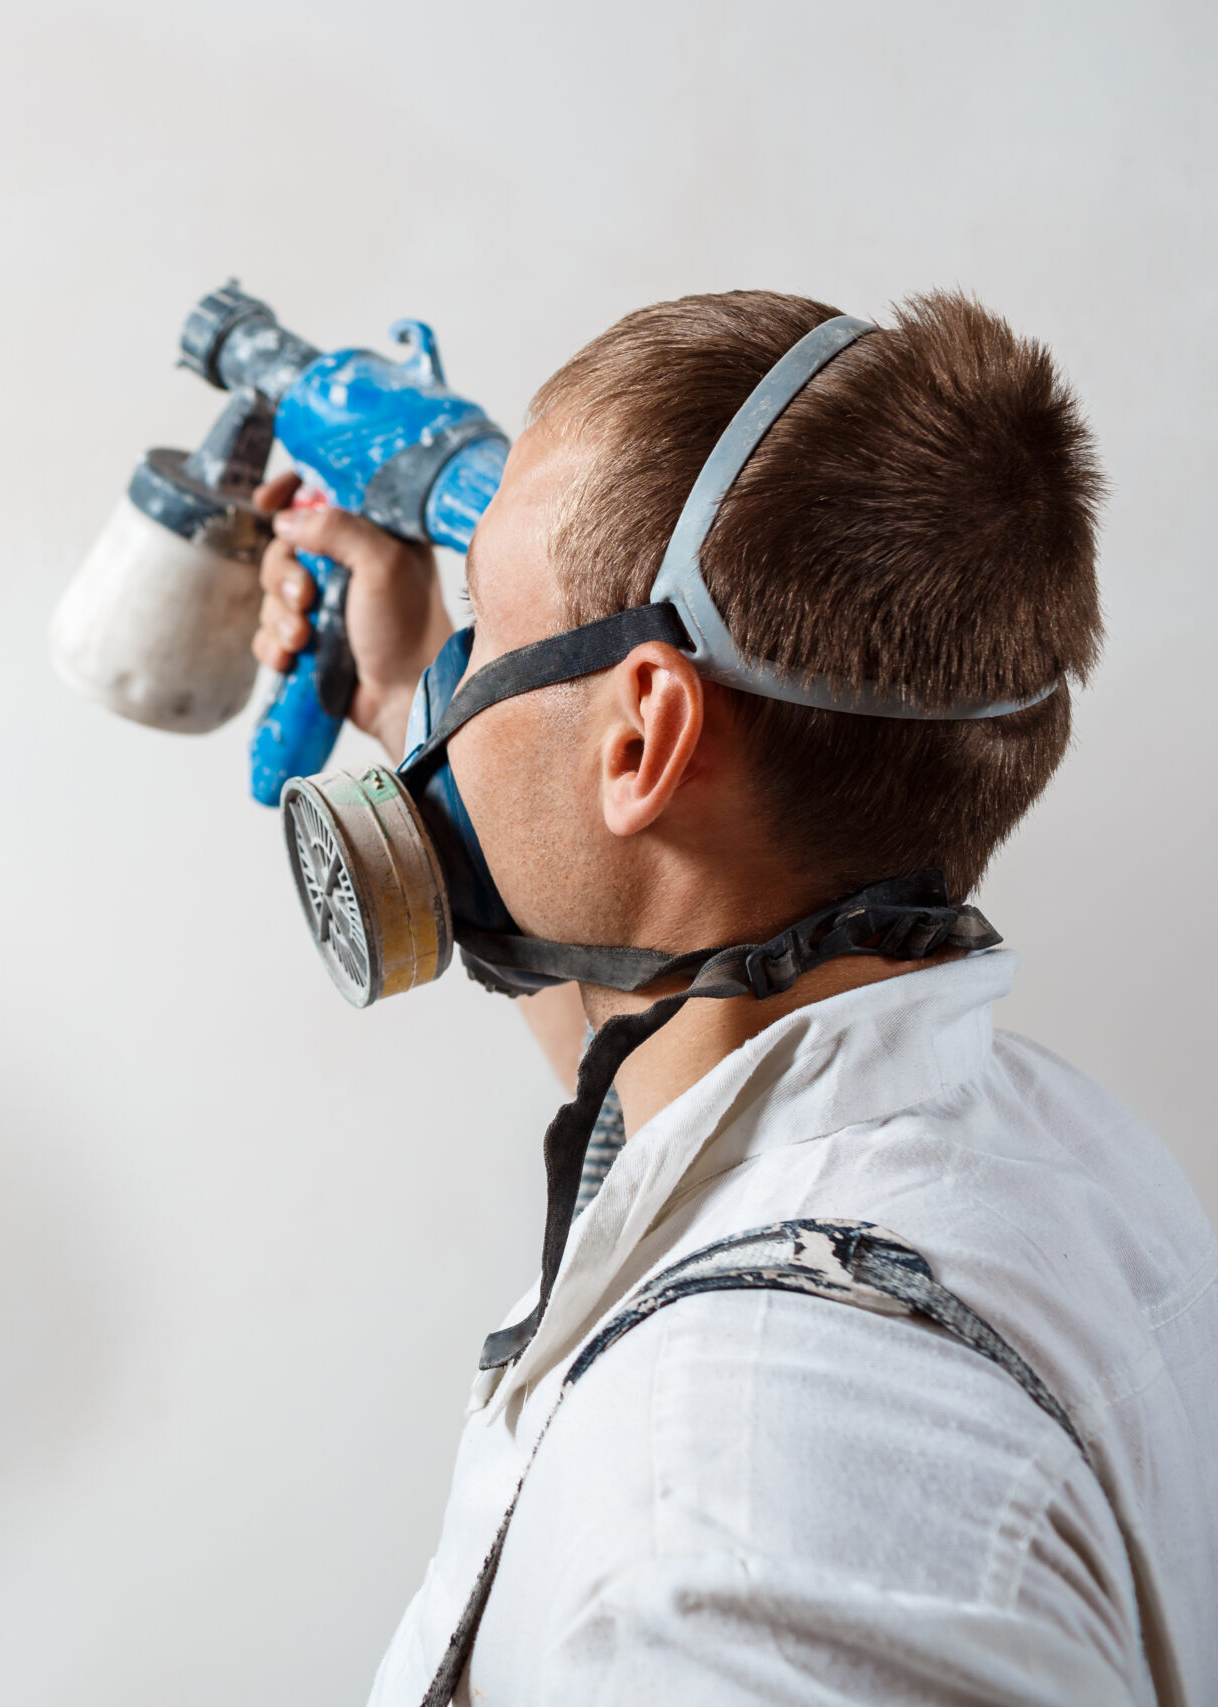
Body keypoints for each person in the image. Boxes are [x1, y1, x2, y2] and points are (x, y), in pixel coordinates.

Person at [251, 290, 1218, 1703]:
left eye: (490, 628)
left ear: (645, 732)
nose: (461, 694)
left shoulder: (725, 1561)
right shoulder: (1049, 1149)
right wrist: (403, 681)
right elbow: (659, 1064)